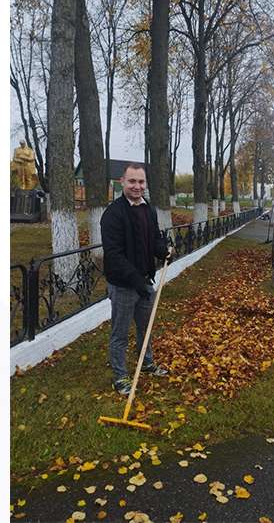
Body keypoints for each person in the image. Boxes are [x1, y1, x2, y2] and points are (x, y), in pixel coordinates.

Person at [101, 162, 170, 395]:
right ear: (122, 182)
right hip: (123, 286)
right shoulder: (113, 215)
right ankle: (121, 377)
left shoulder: (148, 209)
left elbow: (154, 237)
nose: (137, 186)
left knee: (146, 327)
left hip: (144, 281)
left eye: (141, 181)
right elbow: (113, 256)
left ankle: (147, 362)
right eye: (132, 181)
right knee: (120, 334)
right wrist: (136, 281)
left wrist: (162, 251)